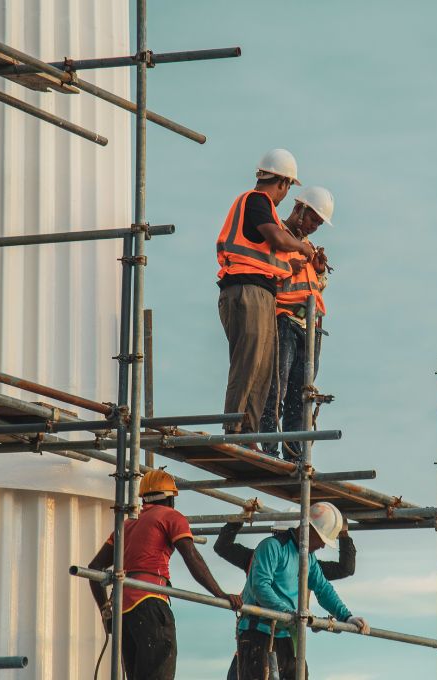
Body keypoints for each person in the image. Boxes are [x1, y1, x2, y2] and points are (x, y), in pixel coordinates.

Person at [87, 469, 243, 680]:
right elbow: (191, 557)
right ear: (170, 498)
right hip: (150, 601)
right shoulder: (171, 517)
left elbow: (94, 568)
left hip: (123, 611)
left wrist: (106, 610)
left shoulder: (125, 526)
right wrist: (220, 593)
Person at [217, 149, 316, 437]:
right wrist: (300, 247)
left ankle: (249, 432)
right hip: (245, 290)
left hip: (259, 292)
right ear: (284, 182)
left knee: (262, 370)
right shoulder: (257, 200)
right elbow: (275, 237)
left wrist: (297, 261)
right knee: (248, 363)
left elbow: (270, 253)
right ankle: (234, 429)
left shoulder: (263, 210)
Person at [235, 502, 370, 680]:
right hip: (258, 633)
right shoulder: (272, 547)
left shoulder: (308, 558)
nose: (322, 546)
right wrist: (287, 613)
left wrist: (346, 616)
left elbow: (323, 588)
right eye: (322, 540)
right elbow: (260, 586)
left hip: (286, 635)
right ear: (309, 529)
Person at [258, 186, 335, 458]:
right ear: (299, 208)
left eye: (319, 222)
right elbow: (265, 274)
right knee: (275, 388)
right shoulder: (277, 234)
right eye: (313, 218)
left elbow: (314, 287)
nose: (315, 226)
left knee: (300, 397)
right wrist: (289, 269)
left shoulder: (308, 247)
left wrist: (320, 271)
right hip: (284, 321)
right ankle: (269, 449)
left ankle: (295, 455)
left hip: (310, 327)